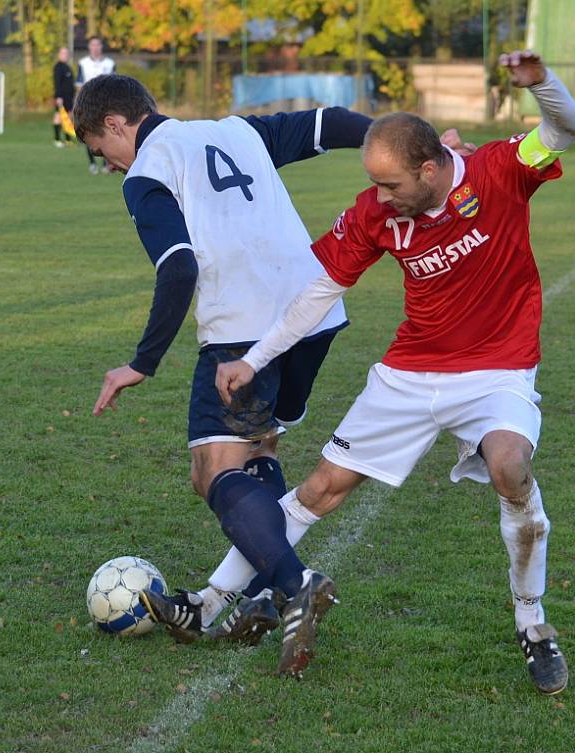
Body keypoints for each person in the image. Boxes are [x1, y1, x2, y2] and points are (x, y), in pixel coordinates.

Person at [213, 50, 575, 694]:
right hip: (410, 373)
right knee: (321, 488)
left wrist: (544, 84)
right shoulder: (375, 214)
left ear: (430, 167)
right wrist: (254, 357)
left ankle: (534, 623)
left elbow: (566, 129)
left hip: (498, 369)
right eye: (375, 185)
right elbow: (319, 291)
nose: (380, 198)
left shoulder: (499, 170)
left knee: (509, 465)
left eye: (392, 186)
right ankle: (218, 593)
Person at [71, 74, 373, 678]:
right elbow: (332, 124)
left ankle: (295, 582)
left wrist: (141, 362)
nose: (106, 164)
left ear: (114, 124)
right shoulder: (234, 129)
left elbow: (178, 269)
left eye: (100, 149)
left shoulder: (147, 172)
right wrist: (422, 151)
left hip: (246, 328)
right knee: (260, 444)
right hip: (313, 312)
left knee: (212, 471)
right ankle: (254, 591)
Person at [76, 37, 116, 172]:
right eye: (93, 45)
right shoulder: (83, 63)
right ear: (89, 47)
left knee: (106, 134)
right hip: (88, 105)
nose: (95, 47)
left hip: (105, 105)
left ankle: (107, 163)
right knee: (89, 134)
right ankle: (92, 163)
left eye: (98, 44)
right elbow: (79, 85)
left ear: (101, 46)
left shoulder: (110, 63)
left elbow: (115, 85)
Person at [52, 47, 76, 147]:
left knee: (68, 117)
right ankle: (57, 140)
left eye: (66, 53)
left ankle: (67, 139)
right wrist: (58, 97)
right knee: (58, 116)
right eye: (63, 53)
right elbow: (57, 83)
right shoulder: (58, 67)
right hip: (61, 97)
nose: (65, 55)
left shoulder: (67, 67)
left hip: (69, 97)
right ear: (59, 54)